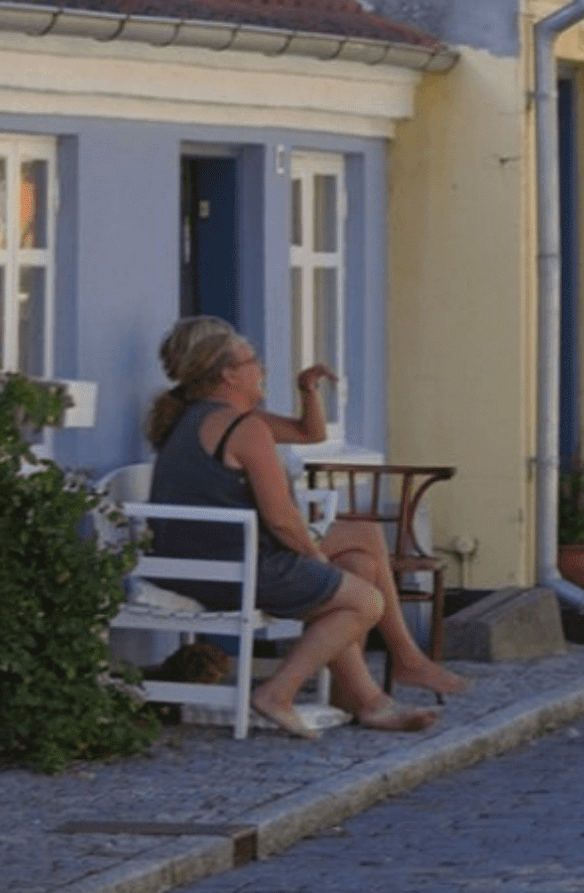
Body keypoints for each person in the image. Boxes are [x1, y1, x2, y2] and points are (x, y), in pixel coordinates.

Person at [141, 316, 466, 738]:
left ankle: (369, 698)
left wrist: (307, 391)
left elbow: (308, 436)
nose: (262, 369)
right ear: (229, 374)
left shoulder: (196, 418)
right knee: (365, 601)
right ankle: (279, 693)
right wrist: (314, 559)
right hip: (238, 567)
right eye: (253, 361)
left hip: (205, 560)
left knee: (361, 554)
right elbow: (281, 519)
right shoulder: (243, 428)